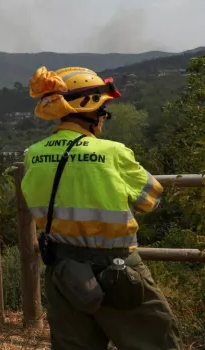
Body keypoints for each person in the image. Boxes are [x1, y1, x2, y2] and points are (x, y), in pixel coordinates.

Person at [22, 66, 182, 350]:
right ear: (90, 110)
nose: (104, 120)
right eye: (104, 112)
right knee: (158, 342)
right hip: (117, 271)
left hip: (62, 272)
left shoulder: (33, 155)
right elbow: (151, 199)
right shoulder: (113, 152)